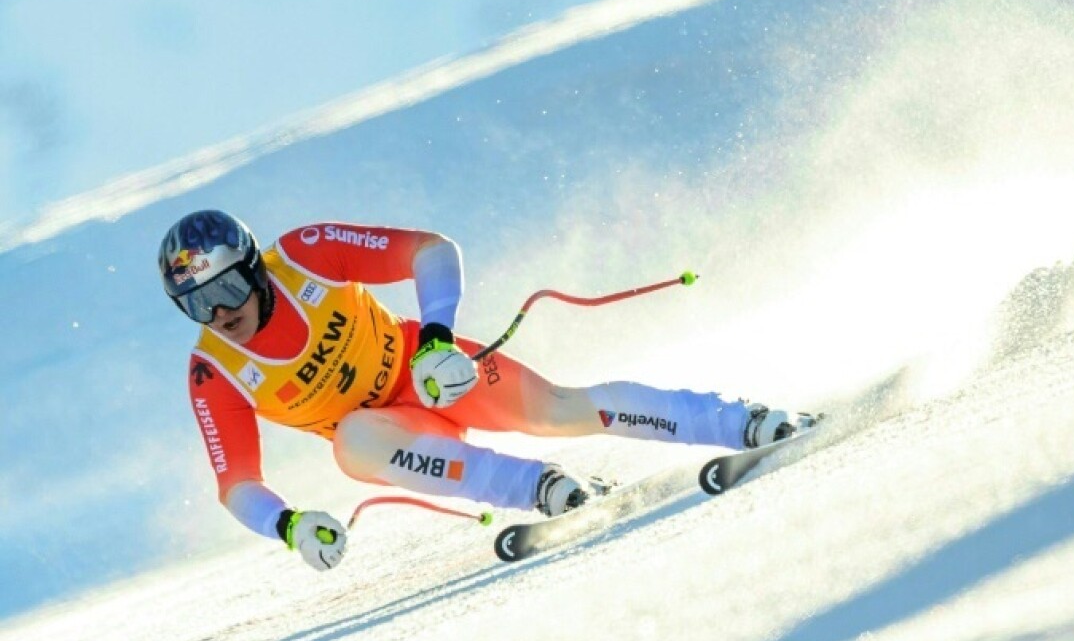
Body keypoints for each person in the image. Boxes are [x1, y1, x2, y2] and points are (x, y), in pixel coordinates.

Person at [160, 210, 806, 571]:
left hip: (433, 377)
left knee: (561, 410)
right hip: (399, 436)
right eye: (196, 305)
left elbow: (430, 250)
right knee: (353, 443)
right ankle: (540, 490)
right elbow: (235, 483)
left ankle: (739, 423)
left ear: (254, 269)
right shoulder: (214, 369)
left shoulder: (305, 253)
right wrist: (290, 525)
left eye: (224, 290)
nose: (219, 313)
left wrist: (438, 340)